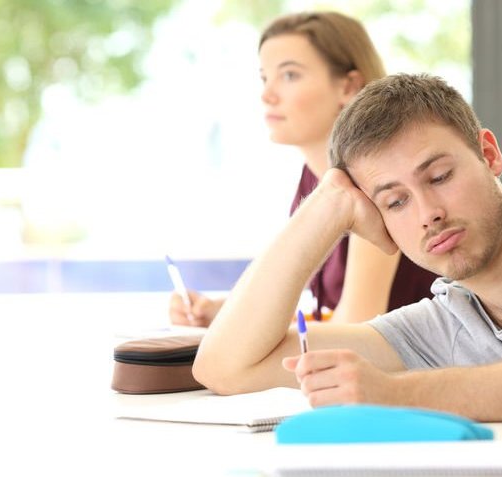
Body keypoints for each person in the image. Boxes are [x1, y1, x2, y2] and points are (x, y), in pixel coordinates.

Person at [193, 73, 502, 425]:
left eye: (439, 177)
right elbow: (226, 367)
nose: (427, 213)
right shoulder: (438, 327)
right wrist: (324, 210)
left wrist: (398, 393)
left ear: (489, 154)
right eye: (395, 201)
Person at [169, 12, 437, 326]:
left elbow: (356, 326)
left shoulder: (373, 183)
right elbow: (306, 298)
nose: (267, 95)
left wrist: (240, 332)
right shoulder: (315, 180)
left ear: (349, 86)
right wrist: (221, 312)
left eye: (290, 75)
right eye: (264, 78)